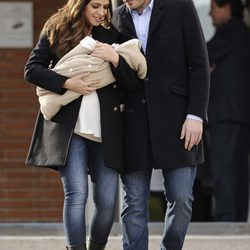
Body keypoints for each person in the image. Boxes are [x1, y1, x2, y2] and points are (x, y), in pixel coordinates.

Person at [24, 0, 141, 249]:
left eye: (106, 8)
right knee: (76, 195)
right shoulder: (55, 28)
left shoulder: (112, 36)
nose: (102, 13)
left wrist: (116, 59)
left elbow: (132, 84)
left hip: (106, 131)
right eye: (95, 6)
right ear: (81, 5)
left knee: (107, 202)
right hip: (69, 129)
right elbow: (31, 70)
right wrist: (67, 84)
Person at [112, 0, 210, 249]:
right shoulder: (116, 17)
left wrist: (195, 115)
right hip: (132, 122)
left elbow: (198, 64)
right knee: (133, 202)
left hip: (178, 120)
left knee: (181, 198)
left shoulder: (180, 7)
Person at [206, 0, 250, 221]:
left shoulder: (231, 30)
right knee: (238, 168)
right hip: (239, 114)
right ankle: (237, 219)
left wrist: (208, 67)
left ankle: (226, 219)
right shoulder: (242, 33)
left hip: (226, 114)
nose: (210, 15)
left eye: (212, 9)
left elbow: (202, 55)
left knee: (224, 168)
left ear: (226, 8)